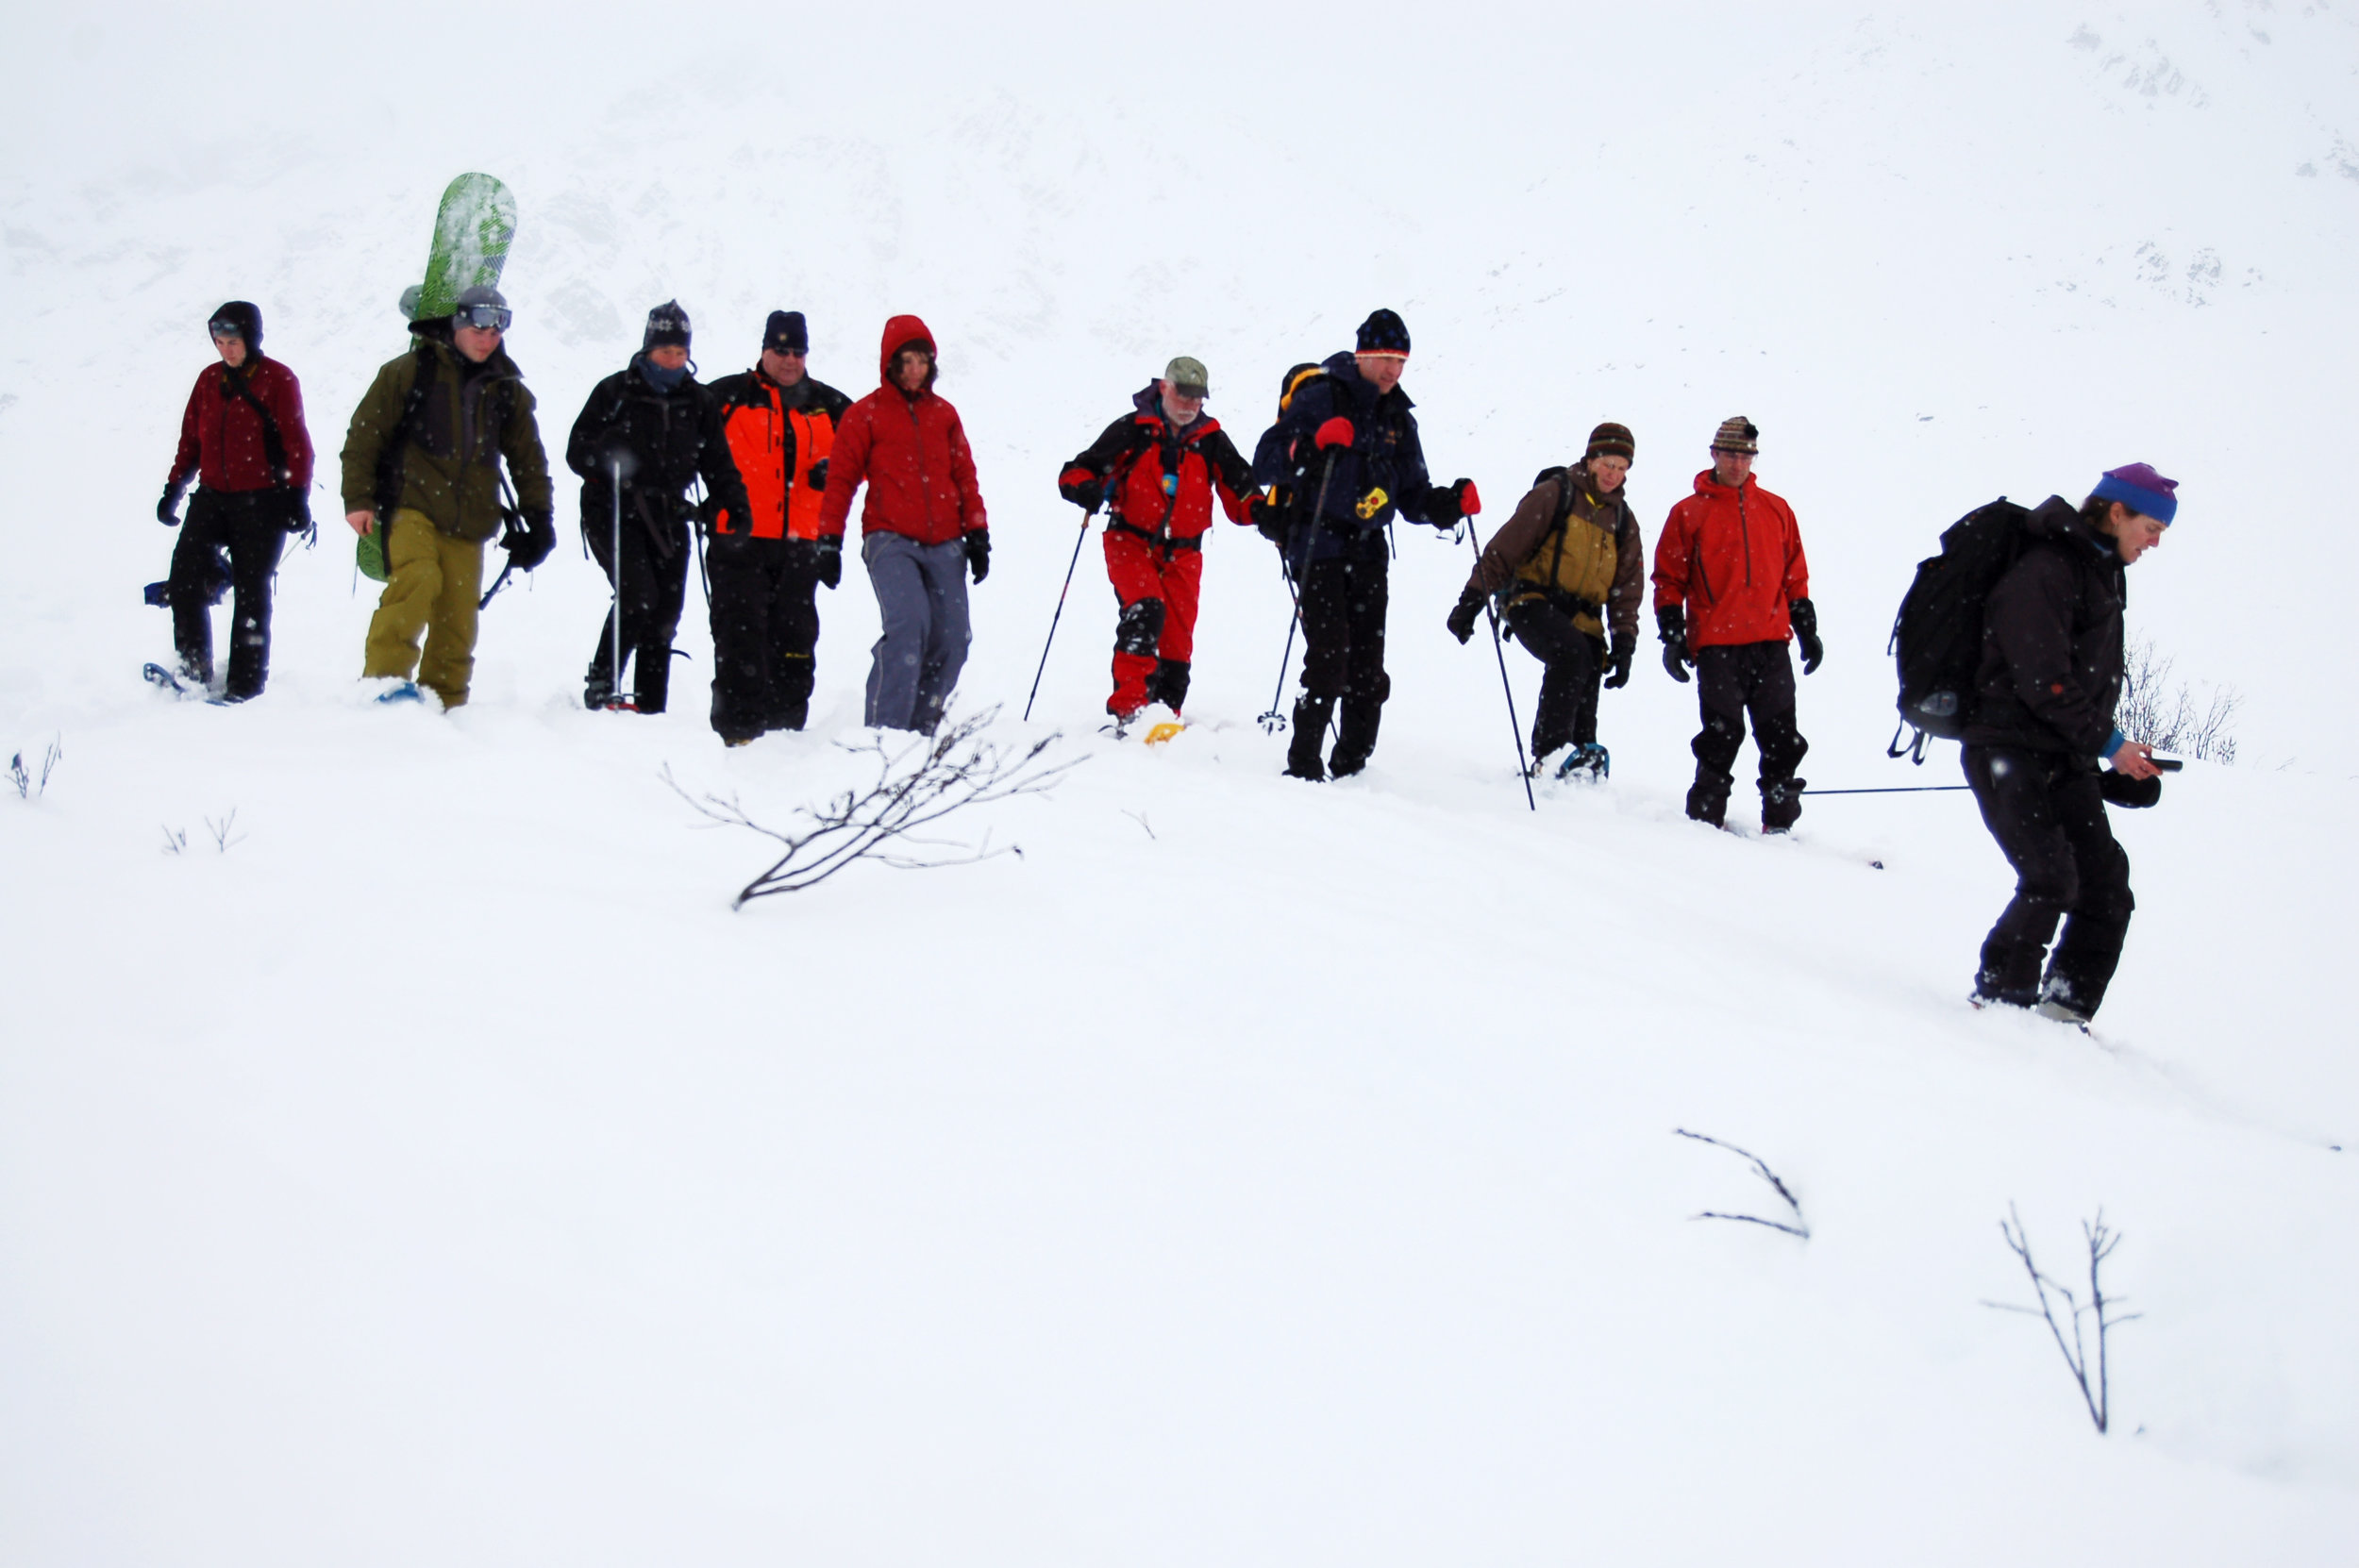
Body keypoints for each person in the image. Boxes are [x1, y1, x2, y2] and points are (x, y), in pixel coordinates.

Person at [1962, 464, 2175, 1026]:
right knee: (2051, 878)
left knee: (2106, 888)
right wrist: (2110, 743)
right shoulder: (2047, 568)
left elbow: (2071, 684)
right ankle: (2000, 999)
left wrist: (2114, 756)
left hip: (2062, 754)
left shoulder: (2099, 572)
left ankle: (2064, 1010)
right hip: (2006, 747)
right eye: (2150, 527)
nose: (2154, 542)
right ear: (2116, 512)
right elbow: (2043, 681)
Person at [1251, 309, 1477, 780]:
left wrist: (1447, 504)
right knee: (1330, 655)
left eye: (1402, 360)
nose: (1395, 370)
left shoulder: (1399, 419)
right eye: (1387, 358)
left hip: (1369, 550)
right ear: (1363, 354)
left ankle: (1353, 767)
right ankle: (1304, 763)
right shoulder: (1320, 397)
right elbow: (1266, 462)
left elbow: (1413, 493)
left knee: (1368, 670)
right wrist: (1309, 447)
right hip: (1316, 543)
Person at [342, 285, 555, 709]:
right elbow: (365, 436)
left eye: (496, 330)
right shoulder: (409, 371)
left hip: (472, 518)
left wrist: (540, 519)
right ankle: (383, 687)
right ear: (457, 324)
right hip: (411, 504)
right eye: (478, 328)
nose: (487, 338)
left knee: (458, 617)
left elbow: (528, 458)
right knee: (418, 578)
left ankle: (445, 703)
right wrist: (359, 499)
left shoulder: (506, 388)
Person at [1056, 356, 1265, 727]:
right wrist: (1084, 488)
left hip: (1185, 552)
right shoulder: (1132, 429)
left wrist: (1266, 514)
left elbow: (1242, 491)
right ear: (1164, 388)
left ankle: (1165, 716)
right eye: (1183, 395)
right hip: (1130, 541)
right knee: (1145, 611)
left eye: (1197, 398)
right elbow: (1077, 470)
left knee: (1176, 643)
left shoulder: (1211, 439)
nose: (1189, 405)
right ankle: (1131, 710)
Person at [565, 301, 750, 715]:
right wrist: (605, 456)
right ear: (648, 349)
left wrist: (735, 507)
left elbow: (718, 464)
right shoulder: (615, 392)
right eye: (665, 351)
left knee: (665, 610)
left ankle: (651, 708)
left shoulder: (698, 402)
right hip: (612, 508)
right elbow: (576, 451)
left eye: (680, 352)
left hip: (668, 514)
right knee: (637, 594)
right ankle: (602, 683)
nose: (673, 360)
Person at [818, 314, 988, 734]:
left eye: (922, 361)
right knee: (909, 626)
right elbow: (840, 481)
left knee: (953, 640)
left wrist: (978, 532)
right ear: (890, 364)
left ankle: (921, 727)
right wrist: (828, 540)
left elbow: (964, 476)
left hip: (947, 541)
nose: (915, 370)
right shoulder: (865, 415)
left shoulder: (945, 415)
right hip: (889, 538)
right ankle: (885, 730)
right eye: (906, 361)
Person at [1649, 416, 1821, 830]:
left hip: (1770, 642)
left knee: (1782, 738)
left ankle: (1779, 826)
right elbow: (1668, 579)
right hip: (1716, 644)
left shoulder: (1777, 509)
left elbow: (1794, 575)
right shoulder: (1688, 513)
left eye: (1745, 455)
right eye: (1729, 454)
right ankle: (1705, 824)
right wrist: (1672, 635)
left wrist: (1807, 629)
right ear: (1714, 455)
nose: (1737, 463)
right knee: (1721, 737)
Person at [1447, 422, 1645, 780]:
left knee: (1590, 659)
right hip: (1532, 599)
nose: (1613, 474)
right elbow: (1503, 550)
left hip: (1584, 615)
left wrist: (1625, 641)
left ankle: (1581, 754)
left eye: (1621, 467)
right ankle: (1551, 754)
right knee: (1571, 654)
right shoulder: (1556, 494)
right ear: (1590, 459)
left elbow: (1626, 590)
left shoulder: (1623, 521)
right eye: (1607, 463)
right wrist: (1471, 600)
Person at [704, 310, 854, 742]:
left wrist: (836, 471)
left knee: (795, 643)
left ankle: (787, 739)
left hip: (802, 544)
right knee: (740, 639)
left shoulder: (829, 404)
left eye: (798, 352)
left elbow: (868, 453)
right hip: (739, 539)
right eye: (781, 350)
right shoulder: (728, 396)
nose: (790, 360)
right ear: (764, 349)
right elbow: (681, 437)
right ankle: (736, 736)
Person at [157, 301, 315, 701]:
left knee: (251, 590)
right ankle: (193, 671)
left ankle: (245, 685)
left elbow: (297, 443)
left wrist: (297, 495)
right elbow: (192, 440)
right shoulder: (209, 380)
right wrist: (174, 489)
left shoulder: (278, 379)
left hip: (262, 502)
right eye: (220, 342)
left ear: (252, 338)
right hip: (211, 497)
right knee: (184, 579)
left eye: (233, 342)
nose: (226, 350)